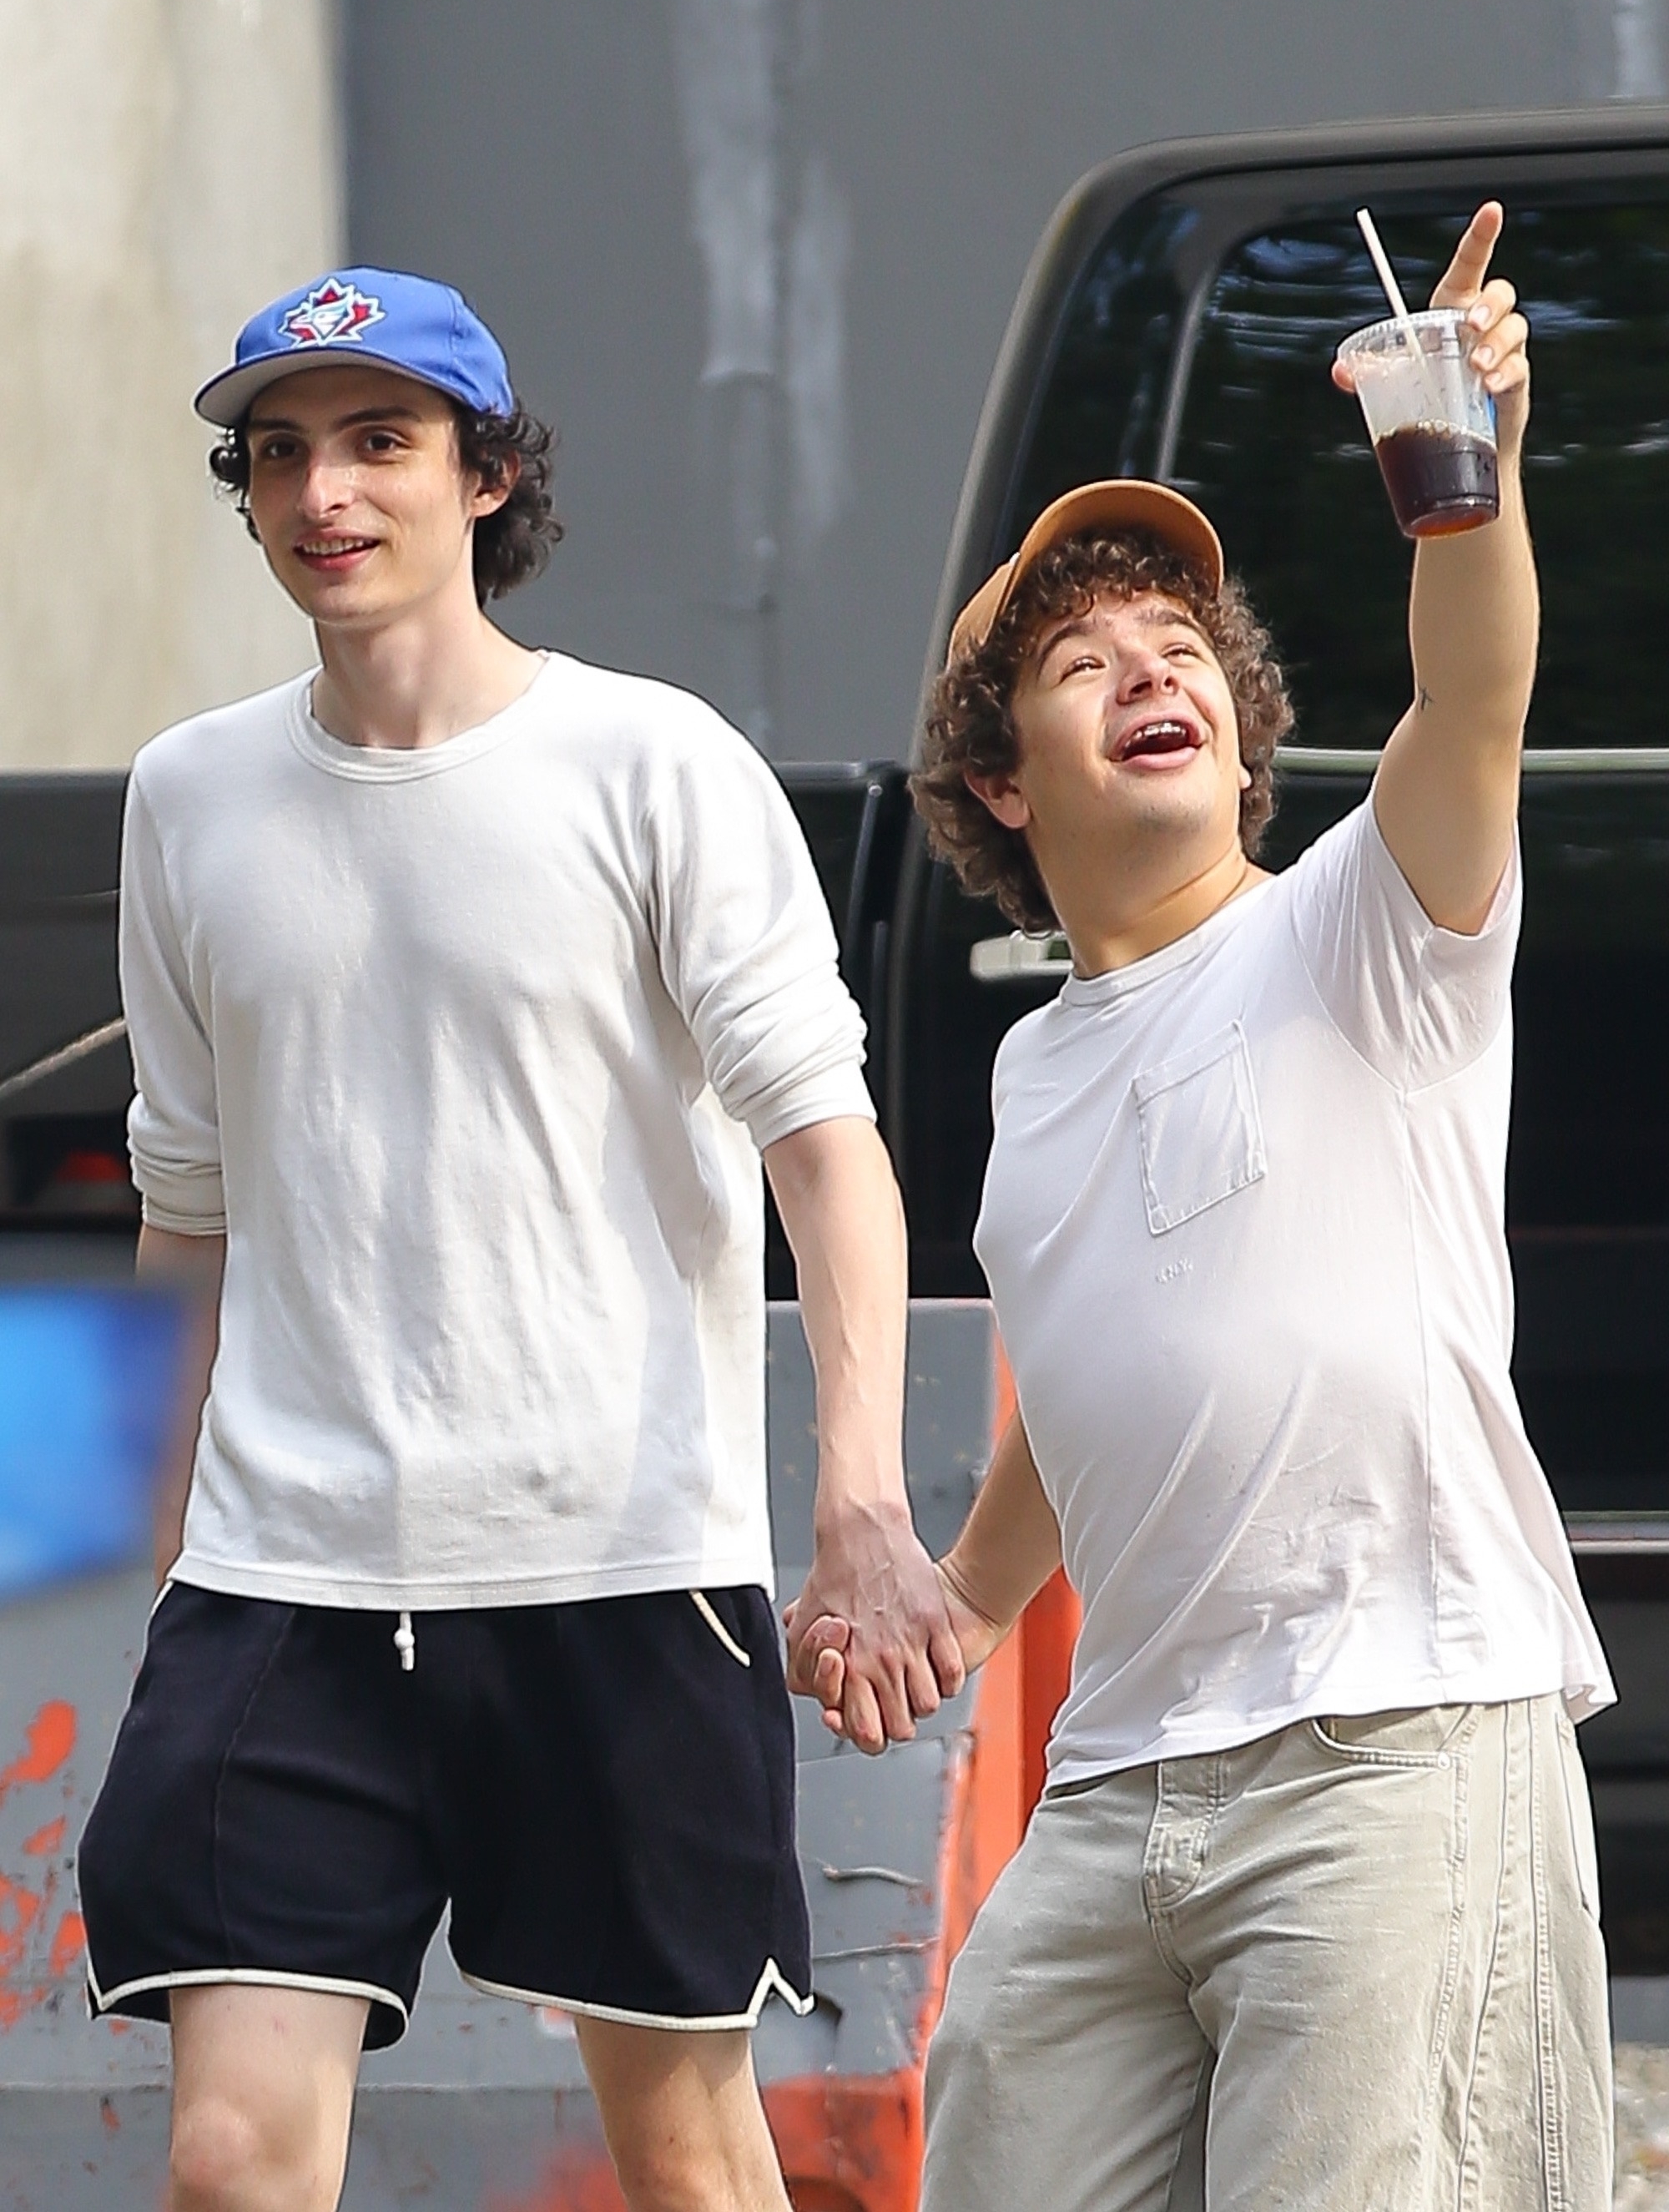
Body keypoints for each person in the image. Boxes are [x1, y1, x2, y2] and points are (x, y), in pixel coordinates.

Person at [76, 267, 961, 2212]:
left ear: (485, 477)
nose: (327, 490)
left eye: (381, 441)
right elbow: (189, 1196)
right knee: (229, 2161)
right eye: (282, 451)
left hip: (621, 1565)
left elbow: (828, 1147)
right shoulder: (189, 796)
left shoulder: (654, 766)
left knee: (686, 2156)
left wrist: (860, 1506)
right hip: (284, 1582)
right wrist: (169, 1547)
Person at [802, 206, 1615, 2209]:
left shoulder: (1367, 926)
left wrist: (1462, 482)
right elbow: (1093, 1390)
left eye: (1180, 651)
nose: (1146, 669)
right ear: (1005, 779)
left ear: (1244, 730)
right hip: (1120, 1790)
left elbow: (1476, 693)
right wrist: (963, 1605)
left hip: (1392, 1746)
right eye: (1080, 665)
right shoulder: (1033, 1069)